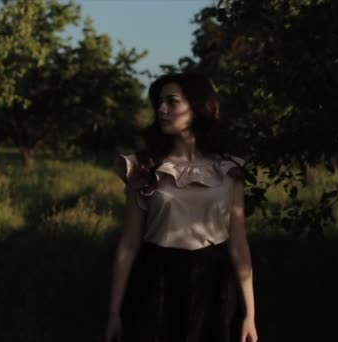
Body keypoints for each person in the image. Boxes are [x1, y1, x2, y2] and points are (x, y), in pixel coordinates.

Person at [105, 73, 258, 342]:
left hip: (214, 284)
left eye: (172, 102)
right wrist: (114, 313)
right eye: (159, 103)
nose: (162, 109)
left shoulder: (228, 169)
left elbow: (239, 244)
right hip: (157, 282)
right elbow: (129, 244)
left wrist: (250, 315)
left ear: (197, 107)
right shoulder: (145, 167)